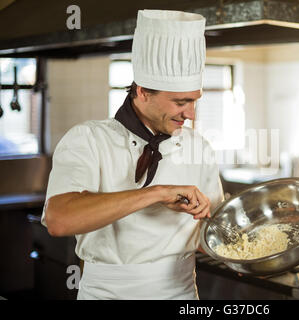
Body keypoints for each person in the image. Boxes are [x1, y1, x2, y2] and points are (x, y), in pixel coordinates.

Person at [41, 10, 223, 300]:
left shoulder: (198, 147)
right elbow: (59, 219)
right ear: (142, 92)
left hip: (182, 293)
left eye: (194, 101)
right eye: (180, 102)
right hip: (107, 294)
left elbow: (208, 234)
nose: (190, 114)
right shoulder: (88, 139)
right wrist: (157, 193)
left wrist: (254, 240)